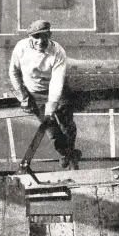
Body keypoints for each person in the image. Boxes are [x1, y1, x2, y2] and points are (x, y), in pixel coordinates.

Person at [9, 19, 81, 169]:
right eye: (36, 37)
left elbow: (57, 81)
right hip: (35, 94)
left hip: (58, 92)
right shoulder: (20, 48)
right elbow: (13, 72)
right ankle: (65, 153)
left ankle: (70, 150)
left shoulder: (58, 52)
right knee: (51, 130)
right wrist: (24, 97)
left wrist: (52, 105)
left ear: (49, 34)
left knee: (67, 125)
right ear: (30, 37)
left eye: (44, 36)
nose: (40, 41)